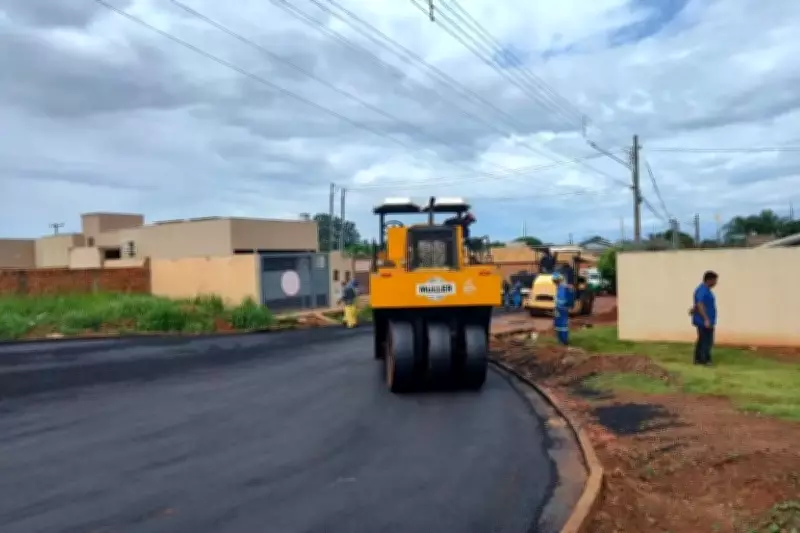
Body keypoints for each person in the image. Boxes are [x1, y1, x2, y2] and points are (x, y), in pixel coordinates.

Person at [689, 270, 718, 365]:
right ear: (709, 280)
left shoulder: (705, 290)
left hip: (705, 320)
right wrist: (706, 319)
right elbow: (700, 304)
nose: (716, 283)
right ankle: (704, 360)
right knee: (706, 341)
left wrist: (693, 309)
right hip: (703, 321)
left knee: (702, 340)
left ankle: (698, 359)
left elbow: (698, 304)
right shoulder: (702, 290)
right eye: (715, 280)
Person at [552, 272, 574, 345]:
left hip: (561, 308)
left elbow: (562, 300)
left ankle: (563, 341)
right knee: (559, 325)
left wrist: (555, 300)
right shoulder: (563, 287)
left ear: (557, 280)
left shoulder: (562, 287)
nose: (554, 282)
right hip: (561, 308)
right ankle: (561, 340)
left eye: (554, 281)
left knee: (562, 325)